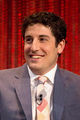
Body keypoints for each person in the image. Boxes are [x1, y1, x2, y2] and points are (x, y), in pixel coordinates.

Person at [0, 11, 80, 120]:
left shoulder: (77, 87)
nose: (34, 47)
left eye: (42, 39)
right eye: (29, 40)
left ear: (60, 46)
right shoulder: (2, 82)